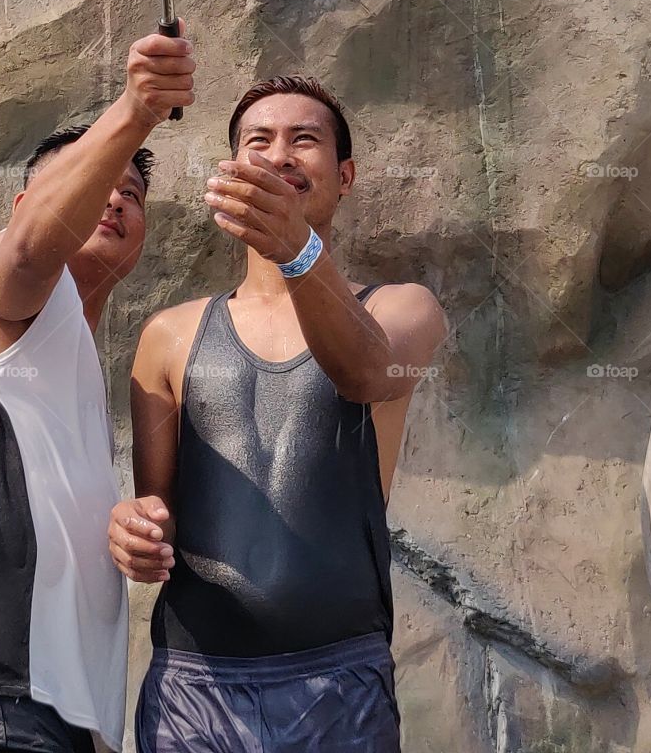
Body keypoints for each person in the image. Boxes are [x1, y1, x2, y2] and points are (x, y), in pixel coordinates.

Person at [0, 21, 196, 753]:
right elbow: (26, 251)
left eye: (134, 193)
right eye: (93, 182)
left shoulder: (72, 360)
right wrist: (136, 112)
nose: (115, 198)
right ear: (25, 208)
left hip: (41, 721)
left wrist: (132, 530)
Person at [110, 74, 447, 753]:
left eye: (305, 140)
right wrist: (131, 529)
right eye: (258, 142)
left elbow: (367, 371)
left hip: (338, 686)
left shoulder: (401, 310)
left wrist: (299, 250)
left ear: (345, 175)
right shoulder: (169, 335)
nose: (282, 154)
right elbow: (159, 509)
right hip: (192, 691)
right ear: (233, 170)